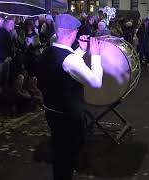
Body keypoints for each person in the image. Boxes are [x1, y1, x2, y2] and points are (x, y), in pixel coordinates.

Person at [36, 14, 103, 180]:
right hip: (69, 117)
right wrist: (95, 55)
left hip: (52, 111)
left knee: (60, 153)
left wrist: (81, 50)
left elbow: (66, 65)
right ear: (73, 33)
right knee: (67, 157)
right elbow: (96, 82)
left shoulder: (49, 50)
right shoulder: (71, 59)